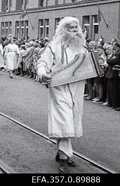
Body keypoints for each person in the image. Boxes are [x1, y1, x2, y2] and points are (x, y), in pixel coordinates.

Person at [37, 16, 87, 174]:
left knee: (70, 121)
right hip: (59, 87)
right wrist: (42, 73)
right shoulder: (55, 45)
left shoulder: (82, 47)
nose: (74, 31)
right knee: (64, 121)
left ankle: (62, 153)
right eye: (71, 28)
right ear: (63, 29)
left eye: (76, 28)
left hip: (77, 88)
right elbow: (43, 62)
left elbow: (86, 64)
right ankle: (64, 158)